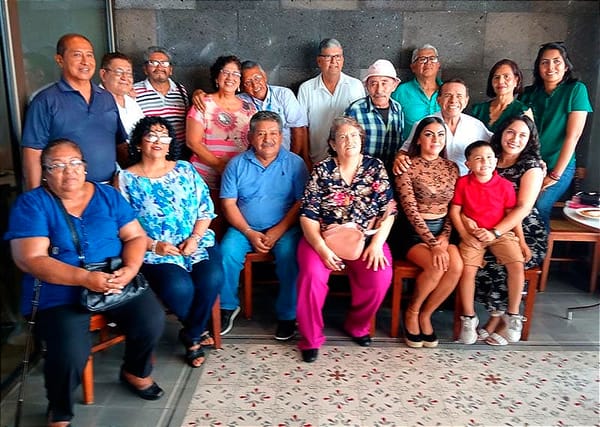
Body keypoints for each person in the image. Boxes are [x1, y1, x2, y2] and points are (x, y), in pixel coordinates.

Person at [5, 139, 165, 427]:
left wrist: (129, 270)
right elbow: (31, 259)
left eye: (76, 163)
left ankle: (135, 371)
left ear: (85, 166)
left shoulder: (107, 195)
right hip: (59, 291)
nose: (70, 172)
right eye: (58, 166)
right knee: (69, 353)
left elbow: (136, 236)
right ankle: (60, 408)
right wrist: (85, 278)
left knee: (151, 319)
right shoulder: (32, 203)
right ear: (44, 172)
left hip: (114, 279)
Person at [117, 116, 222, 367]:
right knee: (179, 288)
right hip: (155, 250)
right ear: (139, 142)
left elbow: (205, 209)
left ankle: (192, 333)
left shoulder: (185, 169)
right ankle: (196, 333)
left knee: (212, 278)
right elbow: (122, 224)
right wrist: (155, 245)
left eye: (164, 136)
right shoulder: (125, 179)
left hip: (195, 242)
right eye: (151, 135)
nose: (158, 141)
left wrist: (195, 238)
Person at [296, 117, 396, 363]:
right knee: (311, 275)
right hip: (322, 237)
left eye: (353, 136)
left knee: (380, 274)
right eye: (342, 136)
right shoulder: (322, 170)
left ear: (362, 140)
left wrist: (375, 244)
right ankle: (311, 338)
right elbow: (308, 214)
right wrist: (321, 248)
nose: (348, 140)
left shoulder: (375, 167)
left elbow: (389, 210)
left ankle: (357, 325)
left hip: (365, 237)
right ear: (332, 143)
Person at [219, 111, 308, 338]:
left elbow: (301, 202)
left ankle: (288, 315)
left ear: (281, 136)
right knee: (226, 252)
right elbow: (228, 203)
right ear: (250, 136)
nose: (267, 139)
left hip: (285, 228)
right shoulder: (236, 164)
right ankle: (227, 307)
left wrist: (278, 231)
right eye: (261, 133)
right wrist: (248, 232)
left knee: (290, 255)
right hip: (244, 228)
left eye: (273, 133)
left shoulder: (295, 164)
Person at [474, 115, 546, 345]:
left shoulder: (532, 166)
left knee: (501, 263)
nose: (515, 139)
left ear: (530, 139)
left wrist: (496, 232)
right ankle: (496, 315)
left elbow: (523, 207)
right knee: (474, 259)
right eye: (510, 132)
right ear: (501, 133)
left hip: (525, 229)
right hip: (490, 226)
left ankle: (505, 319)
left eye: (522, 135)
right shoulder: (490, 157)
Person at [21, 33, 128, 189]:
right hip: (65, 193)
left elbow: (119, 144)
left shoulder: (106, 97)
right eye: (77, 55)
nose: (85, 61)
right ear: (60, 60)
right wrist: (35, 197)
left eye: (89, 55)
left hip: (107, 191)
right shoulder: (45, 101)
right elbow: (33, 152)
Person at [394, 116, 462, 348]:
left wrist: (443, 237)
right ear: (419, 139)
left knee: (456, 266)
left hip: (443, 231)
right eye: (429, 134)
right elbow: (410, 211)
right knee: (436, 264)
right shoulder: (407, 166)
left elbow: (454, 208)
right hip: (413, 233)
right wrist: (433, 243)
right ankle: (412, 312)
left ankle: (426, 314)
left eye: (440, 134)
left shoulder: (452, 168)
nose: (435, 139)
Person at [450, 140, 525, 345]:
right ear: (468, 164)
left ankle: (513, 314)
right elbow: (455, 211)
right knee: (468, 270)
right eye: (479, 158)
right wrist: (465, 235)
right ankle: (468, 317)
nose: (485, 162)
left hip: (500, 233)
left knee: (517, 264)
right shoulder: (463, 183)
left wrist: (522, 241)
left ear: (496, 160)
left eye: (490, 157)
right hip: (472, 235)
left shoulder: (505, 185)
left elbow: (512, 215)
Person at [520, 42, 593, 228]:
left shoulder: (576, 90)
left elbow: (573, 136)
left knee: (538, 204)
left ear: (566, 65)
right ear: (538, 67)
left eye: (556, 61)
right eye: (544, 62)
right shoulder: (529, 94)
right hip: (531, 165)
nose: (550, 67)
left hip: (560, 165)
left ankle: (539, 252)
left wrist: (554, 175)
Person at [186, 55, 256, 237]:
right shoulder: (203, 103)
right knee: (207, 229)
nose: (231, 77)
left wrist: (235, 171)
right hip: (205, 178)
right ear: (217, 77)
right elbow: (192, 141)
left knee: (233, 229)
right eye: (226, 72)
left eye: (236, 73)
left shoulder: (249, 108)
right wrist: (220, 166)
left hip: (237, 180)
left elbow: (254, 142)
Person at [192, 60, 310, 166]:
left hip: (284, 158)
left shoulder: (283, 95)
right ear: (242, 86)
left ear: (265, 77)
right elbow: (219, 99)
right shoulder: (240, 101)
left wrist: (290, 159)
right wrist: (198, 93)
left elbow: (298, 129)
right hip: (254, 163)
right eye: (248, 82)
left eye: (257, 78)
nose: (255, 85)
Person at [394, 78, 492, 177]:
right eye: (448, 95)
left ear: (466, 101)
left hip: (467, 183)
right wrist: (400, 160)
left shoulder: (476, 126)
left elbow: (493, 148)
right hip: (432, 182)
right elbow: (405, 151)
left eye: (459, 96)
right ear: (438, 100)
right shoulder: (423, 124)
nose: (453, 100)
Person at [297, 38, 365, 165]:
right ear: (319, 61)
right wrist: (305, 159)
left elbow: (359, 125)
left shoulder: (355, 86)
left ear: (343, 60)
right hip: (317, 159)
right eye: (328, 57)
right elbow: (302, 128)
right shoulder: (306, 89)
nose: (334, 62)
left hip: (348, 160)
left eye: (338, 57)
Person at [344, 59, 404, 172]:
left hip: (390, 174)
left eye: (384, 83)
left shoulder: (398, 108)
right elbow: (344, 147)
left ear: (394, 85)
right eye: (373, 83)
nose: (379, 89)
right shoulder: (355, 110)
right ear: (367, 86)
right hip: (363, 175)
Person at [133, 46, 189, 144]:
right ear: (145, 69)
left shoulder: (180, 90)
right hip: (151, 151)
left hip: (179, 151)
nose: (159, 67)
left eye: (164, 63)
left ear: (170, 70)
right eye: (153, 63)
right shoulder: (134, 91)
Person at [391, 44, 442, 142]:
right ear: (413, 67)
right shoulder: (400, 92)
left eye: (432, 58)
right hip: (409, 151)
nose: (428, 63)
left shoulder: (447, 91)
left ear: (438, 65)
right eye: (422, 59)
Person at [470, 59, 532, 133]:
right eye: (496, 77)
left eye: (506, 76)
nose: (500, 81)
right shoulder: (478, 110)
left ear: (516, 81)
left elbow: (528, 141)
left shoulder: (523, 111)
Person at [99, 52, 145, 137]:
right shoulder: (95, 102)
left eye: (128, 73)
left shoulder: (132, 102)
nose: (125, 78)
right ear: (103, 74)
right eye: (119, 72)